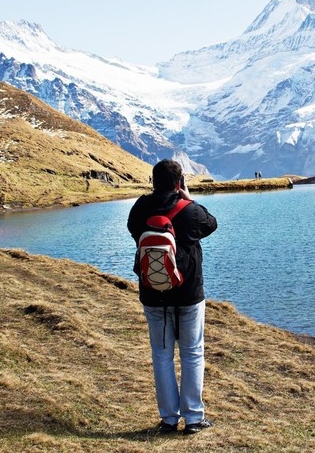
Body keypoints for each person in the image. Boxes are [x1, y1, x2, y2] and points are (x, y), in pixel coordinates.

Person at [127, 159, 218, 435]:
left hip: (153, 293)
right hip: (189, 293)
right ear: (180, 183)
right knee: (191, 353)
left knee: (162, 355)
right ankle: (193, 419)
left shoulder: (140, 208)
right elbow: (211, 224)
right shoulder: (190, 211)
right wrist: (189, 199)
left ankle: (169, 419)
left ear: (153, 182)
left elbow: (133, 231)